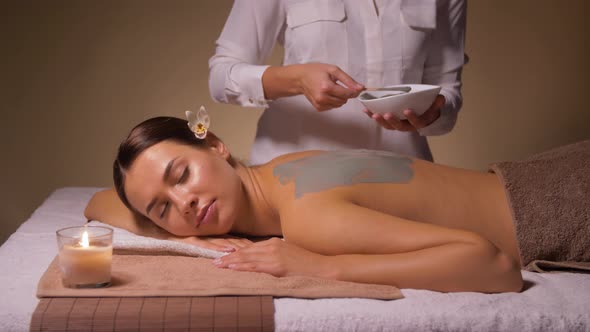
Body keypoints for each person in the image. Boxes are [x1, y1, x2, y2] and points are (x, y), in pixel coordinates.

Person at [86, 115, 529, 294]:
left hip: (551, 204)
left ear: (216, 145)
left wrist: (320, 267)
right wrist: (191, 233)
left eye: (181, 175)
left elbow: (495, 266)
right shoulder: (280, 171)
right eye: (161, 210)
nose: (185, 203)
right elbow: (98, 202)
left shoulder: (307, 217)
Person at [208, 0, 467, 164]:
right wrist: (297, 80)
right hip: (295, 186)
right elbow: (221, 77)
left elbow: (448, 93)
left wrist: (433, 113)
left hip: (402, 184)